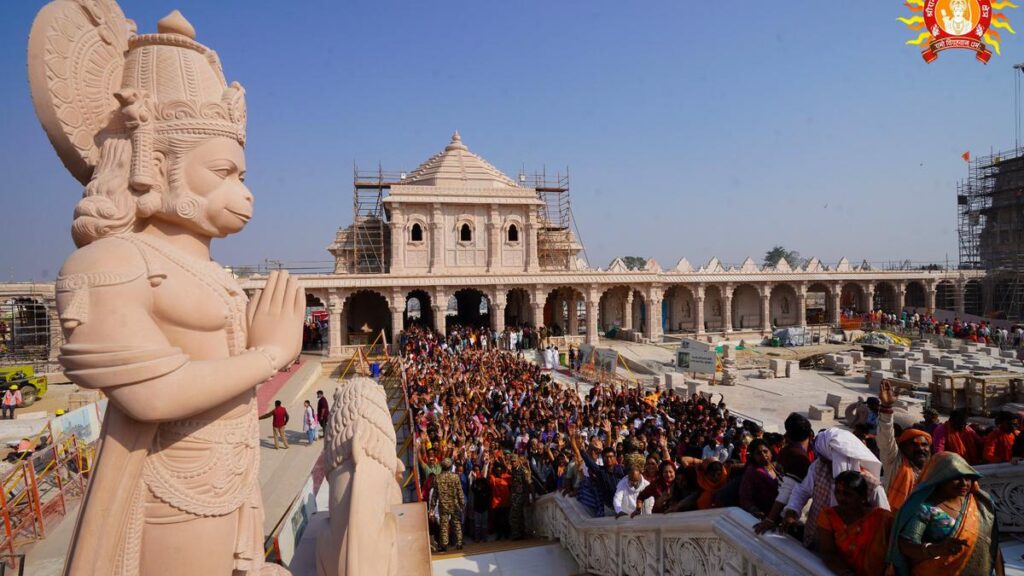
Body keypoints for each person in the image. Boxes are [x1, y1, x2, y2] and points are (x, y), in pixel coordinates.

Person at [887, 452, 1004, 576]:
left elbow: (992, 545)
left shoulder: (980, 504)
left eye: (968, 478)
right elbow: (906, 545)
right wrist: (937, 549)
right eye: (956, 478)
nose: (964, 483)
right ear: (940, 478)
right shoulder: (926, 508)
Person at [782, 428, 889, 549]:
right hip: (814, 539)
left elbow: (883, 524)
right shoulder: (819, 466)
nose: (821, 461)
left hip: (847, 554)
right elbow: (803, 490)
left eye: (825, 459)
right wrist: (792, 510)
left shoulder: (872, 487)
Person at [816, 470, 894, 576]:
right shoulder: (828, 516)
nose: (841, 498)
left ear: (862, 497)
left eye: (847, 494)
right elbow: (827, 552)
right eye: (837, 492)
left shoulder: (882, 518)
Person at [878, 381, 932, 509]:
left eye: (924, 445)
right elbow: (886, 437)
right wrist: (886, 407)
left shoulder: (933, 470)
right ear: (902, 447)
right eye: (914, 444)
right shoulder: (895, 462)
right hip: (893, 521)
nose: (920, 448)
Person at [739, 438, 780, 519]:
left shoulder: (774, 467)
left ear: (770, 452)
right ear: (753, 457)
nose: (763, 455)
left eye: (765, 451)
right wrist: (755, 511)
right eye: (758, 453)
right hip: (766, 516)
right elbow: (745, 498)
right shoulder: (752, 472)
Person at [431, 457, 464, 552]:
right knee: (457, 524)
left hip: (443, 505)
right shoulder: (455, 477)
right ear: (450, 467)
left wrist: (432, 507)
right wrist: (462, 503)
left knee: (444, 525)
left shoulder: (437, 478)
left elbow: (434, 495)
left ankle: (444, 545)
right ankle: (459, 543)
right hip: (454, 504)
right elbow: (459, 491)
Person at [508, 454, 532, 539]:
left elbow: (529, 484)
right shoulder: (514, 470)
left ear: (518, 461)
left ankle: (517, 534)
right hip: (515, 496)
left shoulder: (523, 470)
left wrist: (528, 498)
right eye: (512, 461)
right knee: (518, 516)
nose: (513, 463)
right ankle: (519, 534)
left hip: (521, 496)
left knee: (514, 516)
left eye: (514, 461)